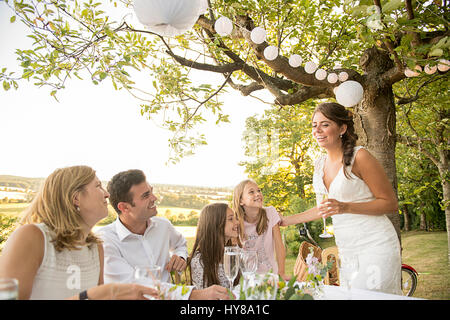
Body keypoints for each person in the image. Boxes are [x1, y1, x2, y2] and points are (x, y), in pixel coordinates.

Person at [281, 102, 402, 295]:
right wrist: (284, 221)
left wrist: (346, 207)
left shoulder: (360, 156)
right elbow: (324, 208)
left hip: (376, 244)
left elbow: (390, 203)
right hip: (346, 248)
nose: (317, 130)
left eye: (325, 124)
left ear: (342, 128)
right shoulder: (319, 164)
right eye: (314, 125)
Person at [0, 165, 158, 300]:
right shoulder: (32, 236)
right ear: (76, 198)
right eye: (98, 186)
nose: (107, 194)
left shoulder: (95, 248)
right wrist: (89, 295)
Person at [96, 169, 230, 300]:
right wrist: (192, 295)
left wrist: (181, 257)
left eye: (151, 191)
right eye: (145, 196)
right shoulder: (105, 240)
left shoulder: (163, 225)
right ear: (124, 207)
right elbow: (134, 286)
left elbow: (181, 244)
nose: (154, 198)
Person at [232, 179, 289, 280]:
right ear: (241, 200)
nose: (258, 194)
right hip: (246, 279)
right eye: (251, 192)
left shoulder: (270, 213)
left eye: (259, 190)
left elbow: (279, 246)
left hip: (270, 276)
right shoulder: (235, 222)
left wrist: (281, 273)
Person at [188, 203, 240, 289]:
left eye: (235, 218)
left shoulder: (232, 252)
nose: (237, 222)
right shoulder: (200, 261)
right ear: (216, 224)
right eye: (231, 219)